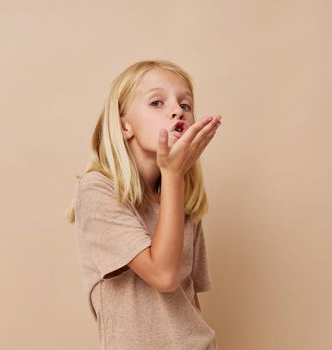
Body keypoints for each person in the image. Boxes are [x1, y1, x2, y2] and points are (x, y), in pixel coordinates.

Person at [65, 59, 222, 349]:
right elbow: (163, 276)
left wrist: (174, 180)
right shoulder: (97, 190)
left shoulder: (181, 200)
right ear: (125, 125)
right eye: (157, 102)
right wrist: (174, 174)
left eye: (185, 105)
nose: (177, 110)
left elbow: (188, 301)